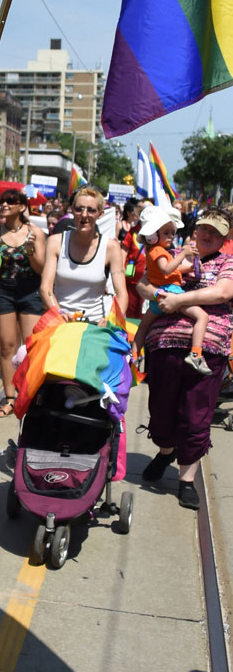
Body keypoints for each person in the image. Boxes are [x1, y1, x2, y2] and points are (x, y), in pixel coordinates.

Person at [137, 211, 233, 509]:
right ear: (194, 231)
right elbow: (141, 283)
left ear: (224, 239)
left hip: (208, 351)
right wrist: (160, 292)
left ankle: (186, 480)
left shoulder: (227, 263)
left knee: (195, 416)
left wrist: (179, 300)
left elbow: (223, 292)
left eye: (215, 233)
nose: (207, 236)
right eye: (203, 229)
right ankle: (166, 451)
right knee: (162, 412)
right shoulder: (174, 253)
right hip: (164, 344)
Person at [0, 190, 46, 417]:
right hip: (5, 292)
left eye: (10, 201)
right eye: (2, 201)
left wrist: (30, 252)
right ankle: (10, 398)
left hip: (31, 290)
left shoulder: (35, 233)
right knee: (8, 347)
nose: (4, 204)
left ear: (22, 207)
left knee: (30, 347)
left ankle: (29, 394)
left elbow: (41, 269)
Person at [132, 207, 209, 373]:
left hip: (159, 295)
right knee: (202, 316)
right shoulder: (159, 251)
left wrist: (188, 269)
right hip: (172, 293)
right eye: (166, 233)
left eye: (172, 233)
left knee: (144, 325)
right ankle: (196, 354)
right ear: (153, 236)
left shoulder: (154, 250)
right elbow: (166, 270)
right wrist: (183, 254)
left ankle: (134, 355)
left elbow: (169, 271)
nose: (171, 236)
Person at [40, 185, 128, 323]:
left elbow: (121, 293)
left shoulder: (111, 247)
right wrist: (59, 313)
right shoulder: (55, 242)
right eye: (79, 209)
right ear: (72, 211)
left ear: (100, 214)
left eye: (91, 210)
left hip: (95, 325)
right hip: (59, 320)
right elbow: (46, 288)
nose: (84, 214)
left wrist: (112, 321)